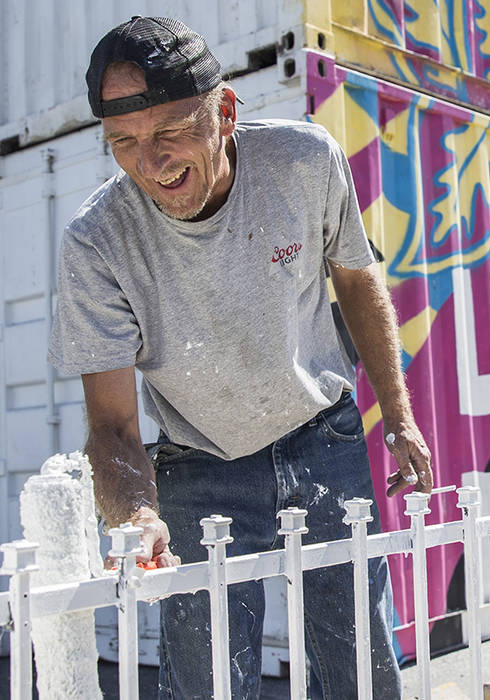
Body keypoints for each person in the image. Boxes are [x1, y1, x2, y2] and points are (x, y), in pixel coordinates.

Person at [47, 16, 432, 698]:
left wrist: (397, 416)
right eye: (124, 143)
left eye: (169, 131)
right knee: (207, 682)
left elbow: (356, 279)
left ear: (224, 111)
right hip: (199, 465)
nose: (150, 162)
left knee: (360, 671)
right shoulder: (95, 243)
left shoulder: (303, 162)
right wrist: (138, 519)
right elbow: (111, 428)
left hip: (324, 439)